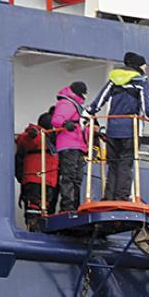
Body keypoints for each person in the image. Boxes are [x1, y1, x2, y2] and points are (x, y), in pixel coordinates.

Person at [87, 51, 149, 202]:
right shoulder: (141, 80)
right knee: (126, 165)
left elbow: (100, 99)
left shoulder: (114, 79)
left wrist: (88, 112)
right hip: (131, 129)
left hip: (112, 129)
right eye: (144, 65)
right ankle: (121, 197)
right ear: (139, 65)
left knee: (113, 165)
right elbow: (147, 108)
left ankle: (108, 197)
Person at [14, 114, 58, 230]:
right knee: (34, 207)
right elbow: (24, 140)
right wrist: (31, 135)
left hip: (48, 180)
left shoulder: (53, 138)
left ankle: (42, 229)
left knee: (45, 208)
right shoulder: (34, 136)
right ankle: (34, 228)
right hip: (35, 178)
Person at [50, 81, 88, 212]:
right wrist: (65, 123)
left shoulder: (75, 105)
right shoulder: (66, 103)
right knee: (69, 176)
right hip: (69, 144)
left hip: (77, 145)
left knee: (77, 178)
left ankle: (74, 206)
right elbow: (56, 120)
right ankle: (67, 207)